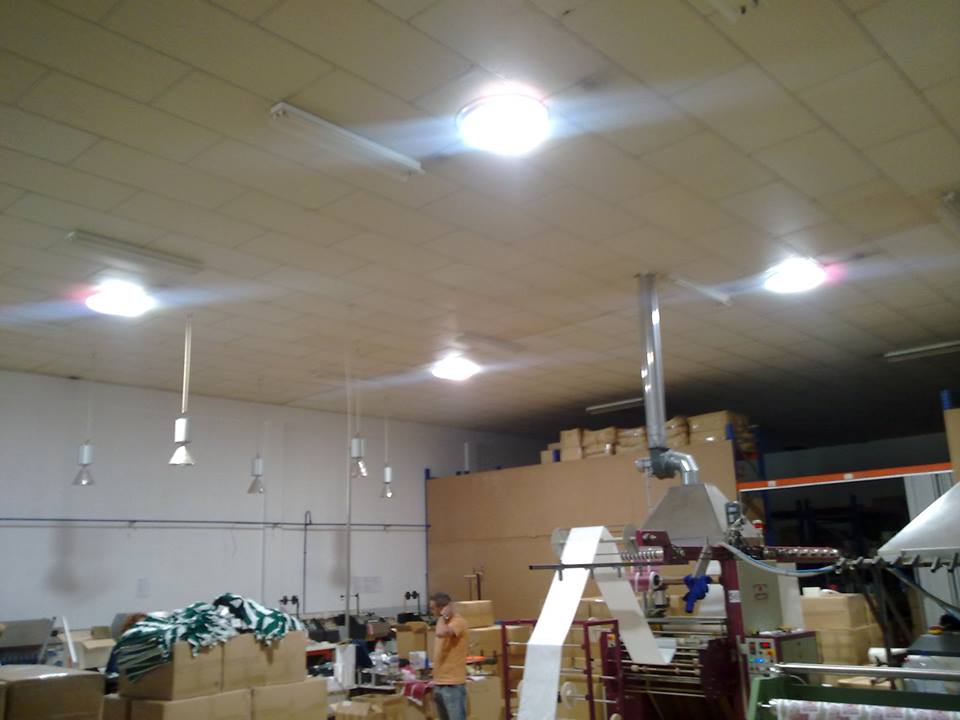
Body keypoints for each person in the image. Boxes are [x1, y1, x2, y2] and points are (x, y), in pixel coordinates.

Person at [430, 592, 469, 720]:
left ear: (442, 608)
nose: (431, 612)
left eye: (433, 608)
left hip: (452, 684)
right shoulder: (442, 622)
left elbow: (441, 633)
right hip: (439, 682)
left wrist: (442, 617)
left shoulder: (458, 621)